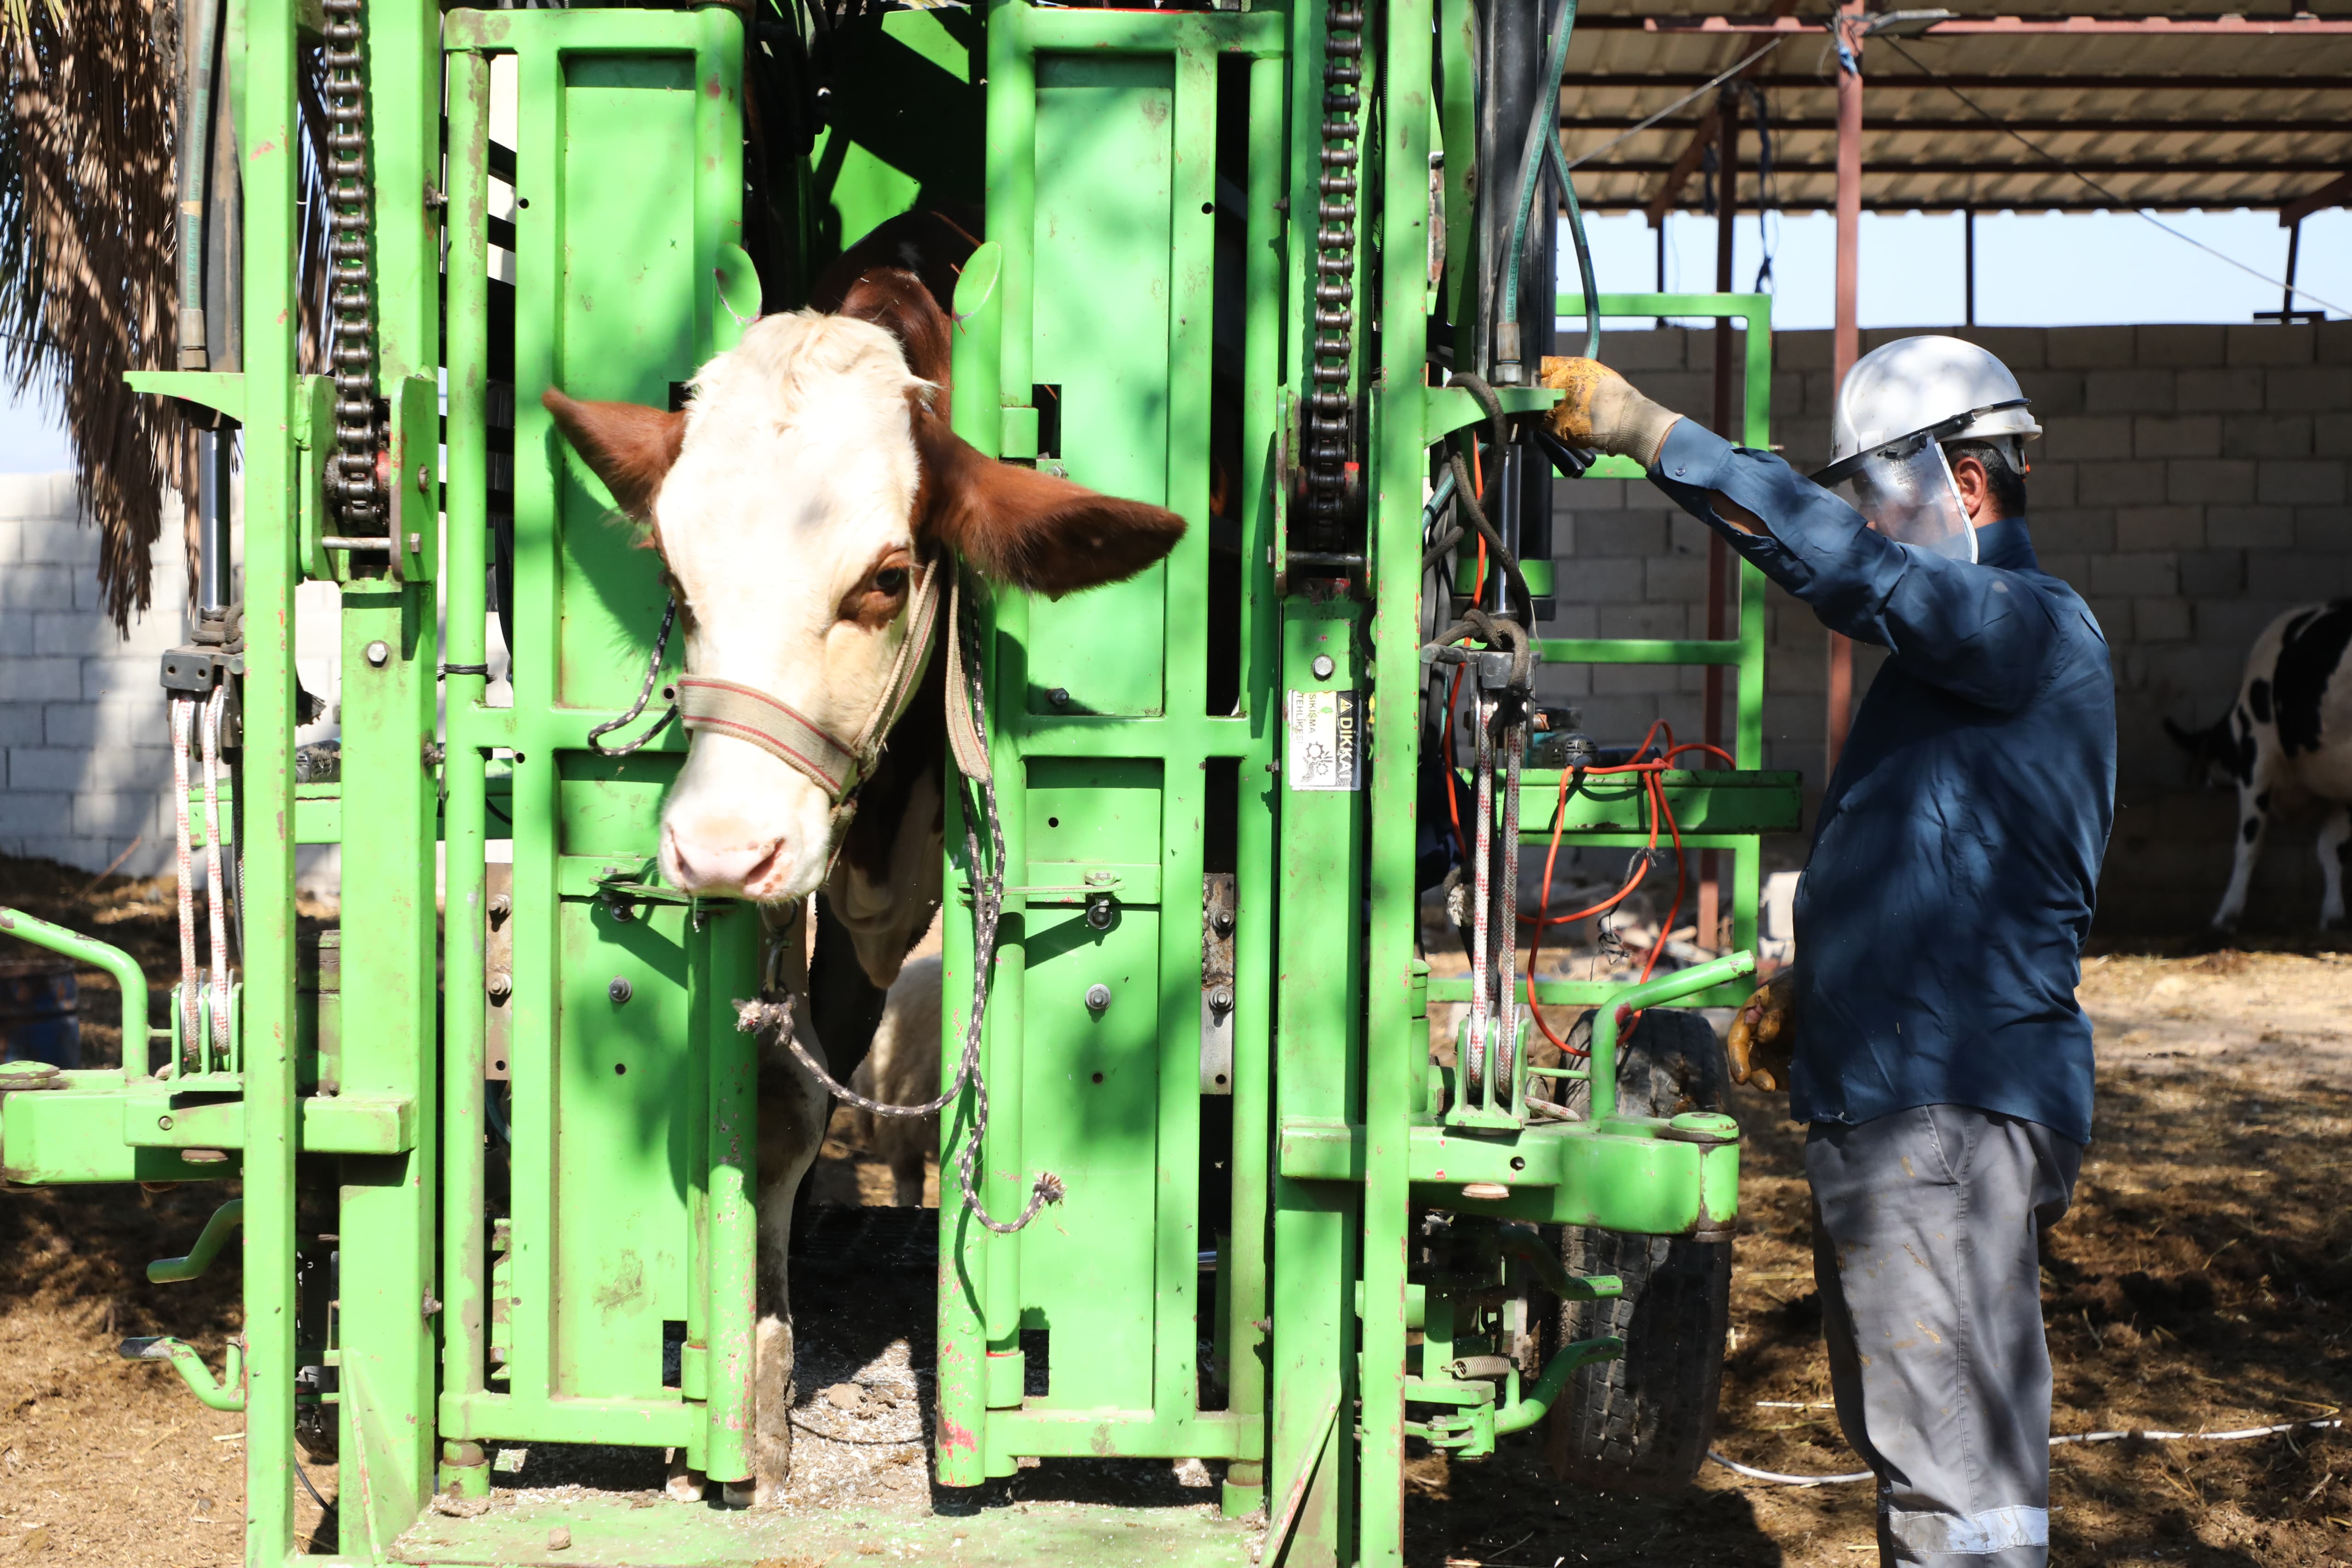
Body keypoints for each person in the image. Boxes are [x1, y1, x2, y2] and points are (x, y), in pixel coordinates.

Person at [1544, 337, 2115, 1568]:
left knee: (1959, 1478)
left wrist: (1656, 436)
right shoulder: (1959, 672)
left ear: (1967, 484)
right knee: (1921, 1441)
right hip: (1908, 1098)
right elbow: (1957, 860)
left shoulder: (2019, 621)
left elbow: (1857, 575)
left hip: (1948, 1107)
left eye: (1879, 486)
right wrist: (1820, 983)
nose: (1864, 516)